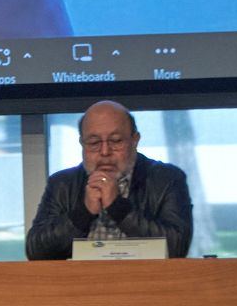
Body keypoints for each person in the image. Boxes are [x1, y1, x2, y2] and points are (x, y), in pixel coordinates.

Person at [26, 100, 192, 260]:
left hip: (147, 283)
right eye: (94, 142)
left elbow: (176, 246)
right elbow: (36, 250)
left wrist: (117, 207)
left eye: (116, 141)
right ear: (82, 144)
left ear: (135, 140)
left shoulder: (167, 179)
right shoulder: (62, 184)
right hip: (78, 284)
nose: (105, 152)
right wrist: (83, 212)